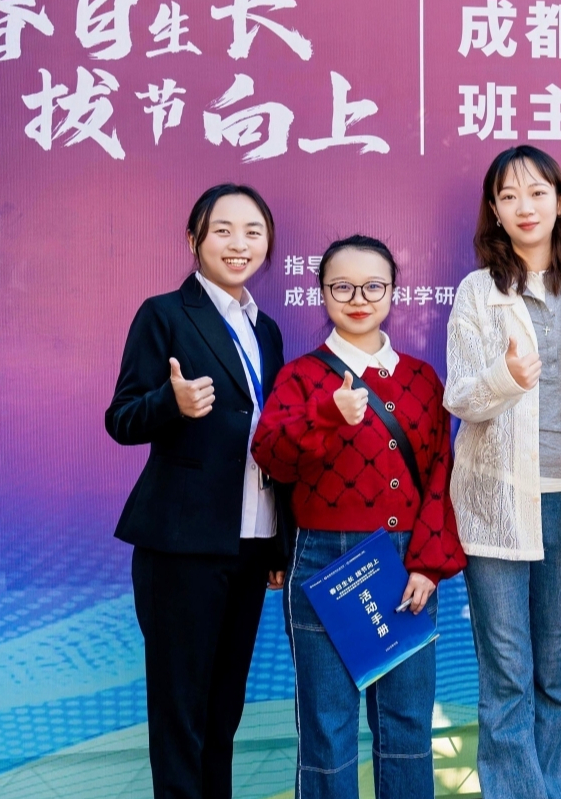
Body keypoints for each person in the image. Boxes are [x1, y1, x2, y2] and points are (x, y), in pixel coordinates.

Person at [253, 234, 464, 799]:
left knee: (407, 723)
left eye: (373, 286)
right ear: (322, 293)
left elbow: (441, 473)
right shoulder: (302, 376)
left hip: (406, 565)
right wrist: (326, 413)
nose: (358, 299)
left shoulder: (421, 378)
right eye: (342, 287)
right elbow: (269, 454)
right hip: (324, 561)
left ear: (393, 291)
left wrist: (427, 565)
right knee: (327, 727)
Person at [442, 145, 561, 799]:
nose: (525, 206)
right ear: (494, 210)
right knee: (508, 677)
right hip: (496, 506)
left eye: (537, 192)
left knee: (553, 676)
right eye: (509, 195)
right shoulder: (478, 291)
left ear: (560, 201)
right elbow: (461, 395)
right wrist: (506, 377)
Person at [106, 183, 288, 799]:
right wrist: (171, 402)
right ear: (194, 239)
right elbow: (121, 418)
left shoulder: (267, 331)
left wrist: (276, 545)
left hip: (250, 545)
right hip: (181, 543)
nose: (240, 244)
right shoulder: (164, 314)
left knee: (223, 711)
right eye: (223, 230)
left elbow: (268, 439)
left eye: (253, 232)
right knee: (181, 714)